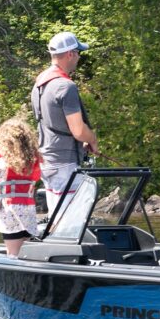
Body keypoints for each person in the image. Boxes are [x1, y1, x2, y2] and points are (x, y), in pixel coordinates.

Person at [31, 31, 98, 213]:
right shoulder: (65, 86)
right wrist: (92, 139)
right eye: (78, 52)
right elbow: (78, 131)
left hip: (47, 160)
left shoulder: (39, 84)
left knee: (57, 214)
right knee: (69, 217)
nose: (79, 57)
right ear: (70, 54)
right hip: (64, 163)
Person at [0, 116, 43, 257]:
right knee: (25, 250)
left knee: (12, 253)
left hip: (9, 211)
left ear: (5, 143)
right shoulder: (32, 162)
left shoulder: (0, 163)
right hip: (28, 210)